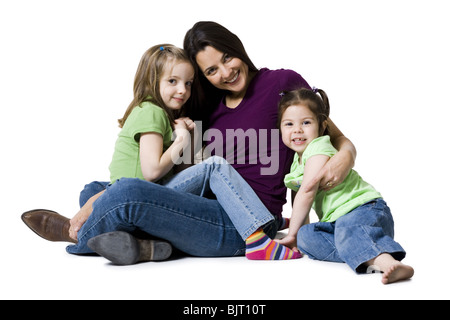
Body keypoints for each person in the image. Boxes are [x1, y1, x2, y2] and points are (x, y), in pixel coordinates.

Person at [21, 21, 356, 264]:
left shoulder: (281, 83)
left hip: (244, 221)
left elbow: (330, 133)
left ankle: (75, 236)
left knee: (124, 194)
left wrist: (346, 156)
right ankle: (150, 248)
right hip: (200, 207)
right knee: (94, 188)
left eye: (227, 58)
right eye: (211, 71)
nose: (224, 73)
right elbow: (180, 167)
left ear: (237, 47)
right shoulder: (204, 105)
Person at [276, 88, 414, 284]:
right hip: (339, 224)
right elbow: (301, 203)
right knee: (306, 237)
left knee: (346, 229)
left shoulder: (318, 147)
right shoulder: (296, 162)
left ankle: (386, 261)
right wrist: (297, 235)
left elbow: (306, 192)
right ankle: (364, 253)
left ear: (322, 126)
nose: (297, 130)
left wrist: (290, 234)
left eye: (306, 123)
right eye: (289, 124)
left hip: (364, 210)